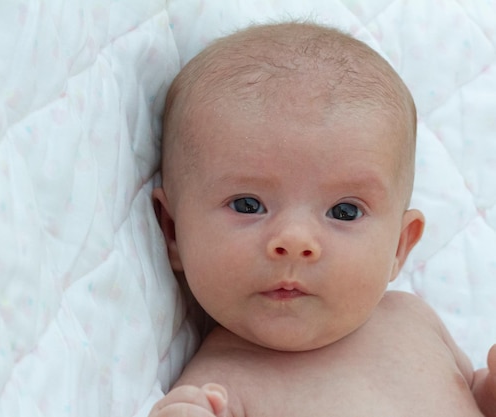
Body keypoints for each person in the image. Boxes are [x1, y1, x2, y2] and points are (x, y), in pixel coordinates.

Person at [149, 21, 496, 417]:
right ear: (173, 232)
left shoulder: (413, 320)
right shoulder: (218, 387)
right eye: (248, 204)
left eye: (344, 212)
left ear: (399, 247)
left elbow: (471, 393)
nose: (296, 240)